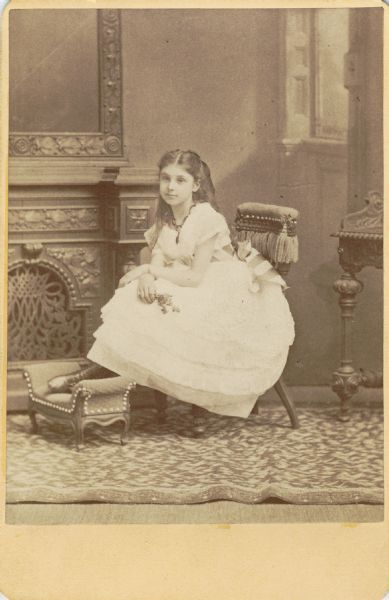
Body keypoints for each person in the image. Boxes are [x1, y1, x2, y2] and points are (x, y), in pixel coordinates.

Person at [86, 149, 295, 418]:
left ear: (196, 185)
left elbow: (196, 277)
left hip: (224, 287)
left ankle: (91, 373)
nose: (171, 187)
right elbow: (157, 258)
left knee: (159, 307)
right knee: (136, 296)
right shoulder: (166, 216)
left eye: (180, 180)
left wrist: (147, 270)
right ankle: (92, 374)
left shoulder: (207, 218)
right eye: (165, 179)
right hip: (188, 281)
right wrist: (147, 275)